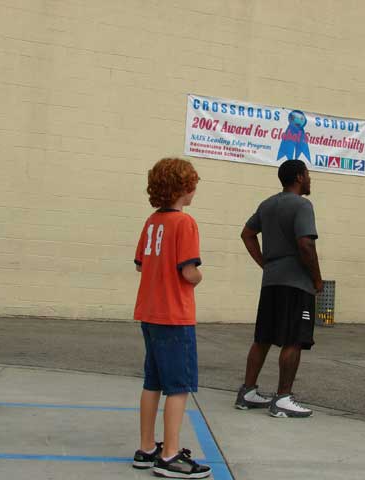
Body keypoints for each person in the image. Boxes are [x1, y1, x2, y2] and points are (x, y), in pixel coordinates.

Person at [131, 158, 211, 479]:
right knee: (178, 386)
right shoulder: (185, 223)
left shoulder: (152, 222)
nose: (195, 191)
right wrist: (200, 277)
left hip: (149, 313)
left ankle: (146, 447)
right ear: (183, 188)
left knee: (152, 381)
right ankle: (170, 455)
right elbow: (188, 271)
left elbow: (141, 264)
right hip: (175, 315)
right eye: (192, 185)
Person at [236, 159, 323, 418]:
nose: (310, 179)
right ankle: (283, 398)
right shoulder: (302, 205)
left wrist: (265, 263)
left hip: (271, 282)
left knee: (263, 338)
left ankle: (247, 392)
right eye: (308, 174)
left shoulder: (267, 204)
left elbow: (247, 234)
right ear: (299, 177)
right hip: (296, 283)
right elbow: (306, 244)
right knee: (294, 339)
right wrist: (317, 279)